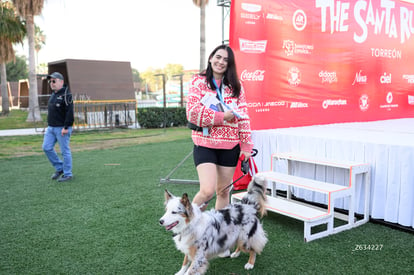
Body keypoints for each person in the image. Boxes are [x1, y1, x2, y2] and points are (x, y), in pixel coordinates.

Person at [186, 44, 254, 211]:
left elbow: (243, 116)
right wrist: (223, 117)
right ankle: (187, 226)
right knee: (207, 191)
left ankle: (218, 230)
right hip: (205, 143)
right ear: (211, 58)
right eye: (218, 57)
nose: (221, 62)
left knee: (223, 192)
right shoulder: (198, 81)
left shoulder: (236, 85)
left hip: (230, 145)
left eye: (226, 59)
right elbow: (192, 113)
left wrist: (246, 146)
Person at [42, 72, 74, 182]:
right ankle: (60, 168)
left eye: (54, 81)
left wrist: (66, 127)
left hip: (62, 128)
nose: (51, 83)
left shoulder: (67, 95)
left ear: (61, 81)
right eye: (50, 81)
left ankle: (68, 174)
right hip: (51, 128)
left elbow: (70, 113)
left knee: (65, 151)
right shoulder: (53, 94)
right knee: (46, 147)